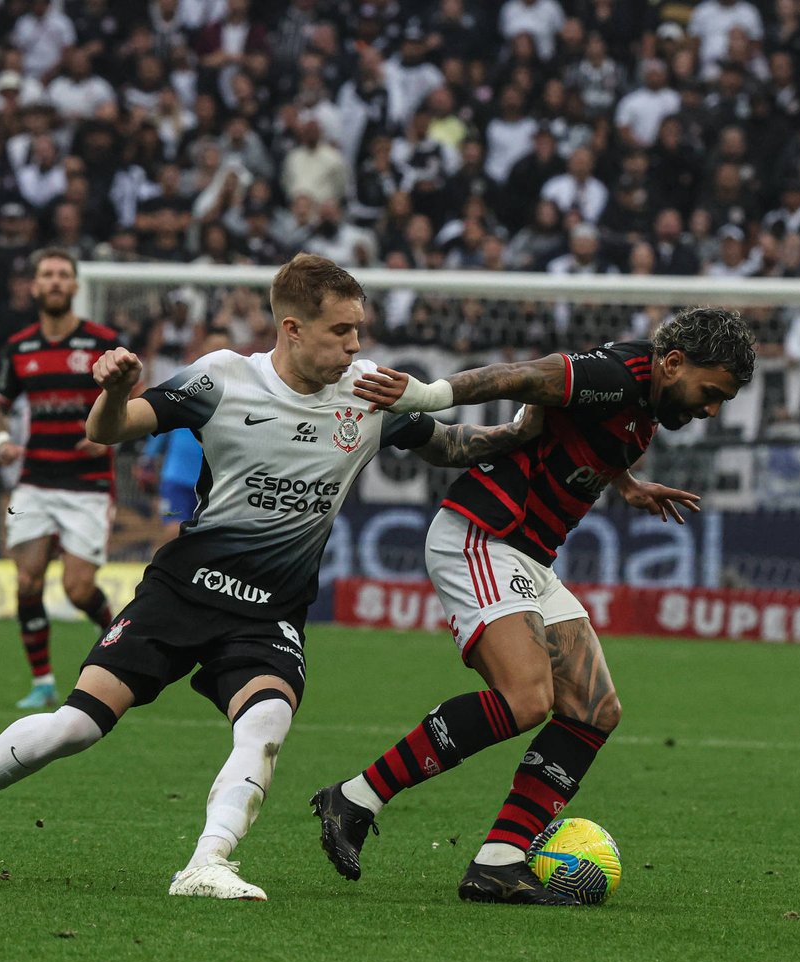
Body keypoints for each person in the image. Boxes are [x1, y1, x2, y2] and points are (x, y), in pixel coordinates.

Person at [0, 254, 542, 900]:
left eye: (357, 330)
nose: (355, 345)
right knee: (77, 726)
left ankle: (207, 861)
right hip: (182, 592)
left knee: (267, 720)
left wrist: (521, 427)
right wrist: (112, 390)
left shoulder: (368, 395)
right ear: (293, 329)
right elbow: (109, 430)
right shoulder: (224, 378)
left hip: (269, 610)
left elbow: (452, 447)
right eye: (341, 331)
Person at [311, 306, 757, 904]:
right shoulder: (618, 376)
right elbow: (526, 376)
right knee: (528, 700)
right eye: (711, 393)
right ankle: (356, 797)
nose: (711, 410)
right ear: (673, 362)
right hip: (483, 534)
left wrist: (627, 485)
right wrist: (431, 393)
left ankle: (499, 860)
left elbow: (590, 431)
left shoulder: (642, 402)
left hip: (530, 557)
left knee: (594, 709)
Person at [0, 249, 120, 709]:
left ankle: (120, 639)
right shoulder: (20, 348)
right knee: (26, 582)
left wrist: (111, 437)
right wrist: (2, 437)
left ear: (76, 286)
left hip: (88, 482)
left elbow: (135, 396)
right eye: (48, 275)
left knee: (78, 589)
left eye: (64, 274)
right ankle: (42, 680)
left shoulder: (103, 341)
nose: (57, 282)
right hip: (35, 480)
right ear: (35, 286)